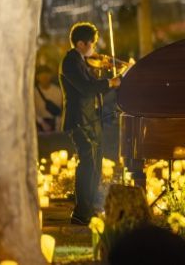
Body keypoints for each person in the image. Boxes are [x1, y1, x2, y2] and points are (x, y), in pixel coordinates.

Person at [59, 22, 120, 225]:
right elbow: (85, 88)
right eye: (91, 43)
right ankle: (81, 213)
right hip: (79, 120)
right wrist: (110, 82)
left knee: (95, 165)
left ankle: (90, 207)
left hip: (91, 120)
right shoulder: (70, 61)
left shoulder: (82, 61)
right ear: (81, 44)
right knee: (87, 165)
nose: (94, 48)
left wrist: (102, 73)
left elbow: (93, 85)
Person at [35, 65, 62, 133]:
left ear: (51, 76)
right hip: (39, 127)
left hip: (55, 124)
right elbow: (32, 111)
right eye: (42, 76)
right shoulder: (33, 92)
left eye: (46, 75)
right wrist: (42, 123)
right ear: (37, 77)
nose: (44, 78)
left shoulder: (58, 91)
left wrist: (57, 127)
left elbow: (60, 110)